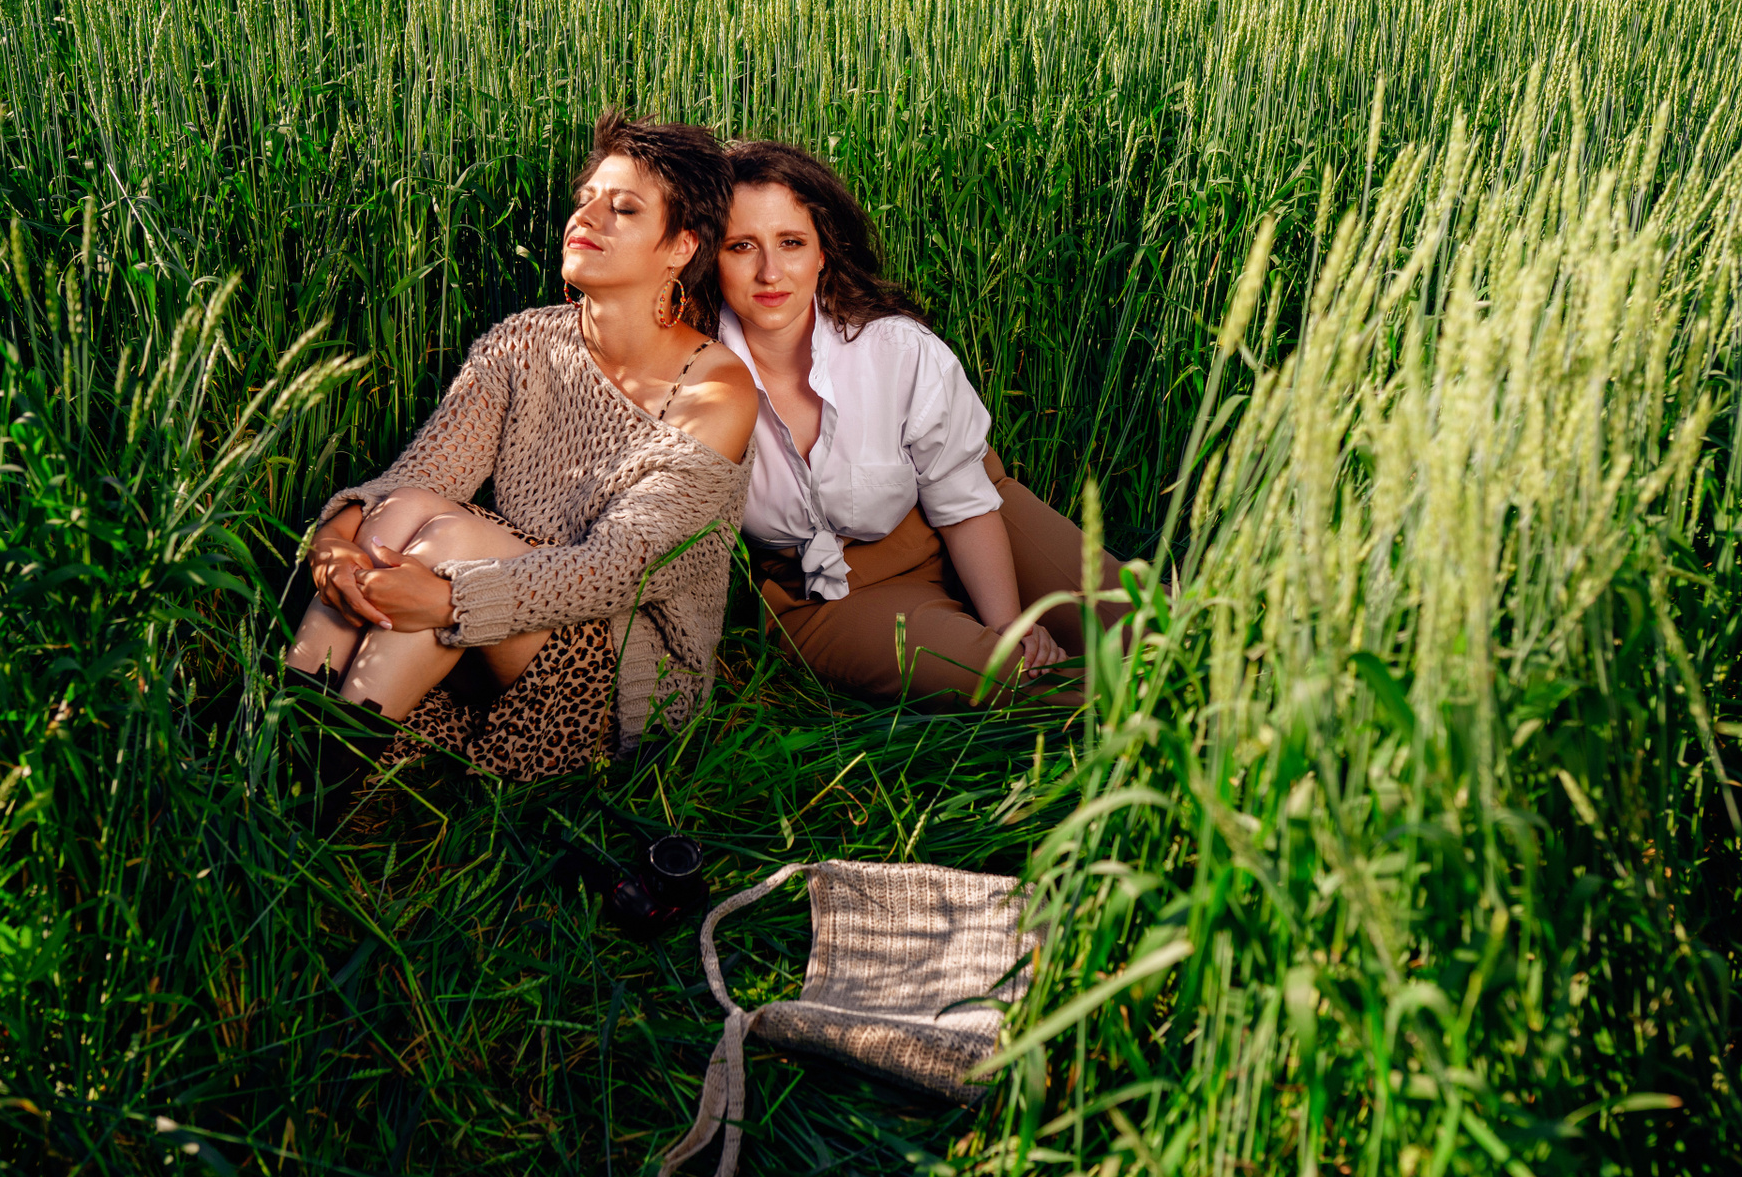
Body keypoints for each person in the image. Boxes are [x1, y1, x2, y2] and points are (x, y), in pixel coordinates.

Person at [286, 112, 757, 806]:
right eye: (585, 199)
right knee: (408, 507)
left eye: (624, 208)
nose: (586, 217)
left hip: (621, 666)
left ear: (681, 246)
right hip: (502, 610)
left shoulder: (715, 391)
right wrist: (333, 539)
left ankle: (307, 789)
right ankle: (298, 738)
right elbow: (421, 476)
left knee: (450, 540)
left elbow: (617, 570)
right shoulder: (524, 342)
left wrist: (448, 598)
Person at [713, 140, 1126, 706]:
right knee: (1014, 677)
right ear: (709, 256)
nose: (770, 272)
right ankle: (1154, 730)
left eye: (791, 242)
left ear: (823, 252)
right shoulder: (697, 374)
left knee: (1151, 627)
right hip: (830, 592)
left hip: (970, 519)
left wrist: (1010, 623)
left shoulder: (897, 348)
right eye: (741, 246)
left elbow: (964, 501)